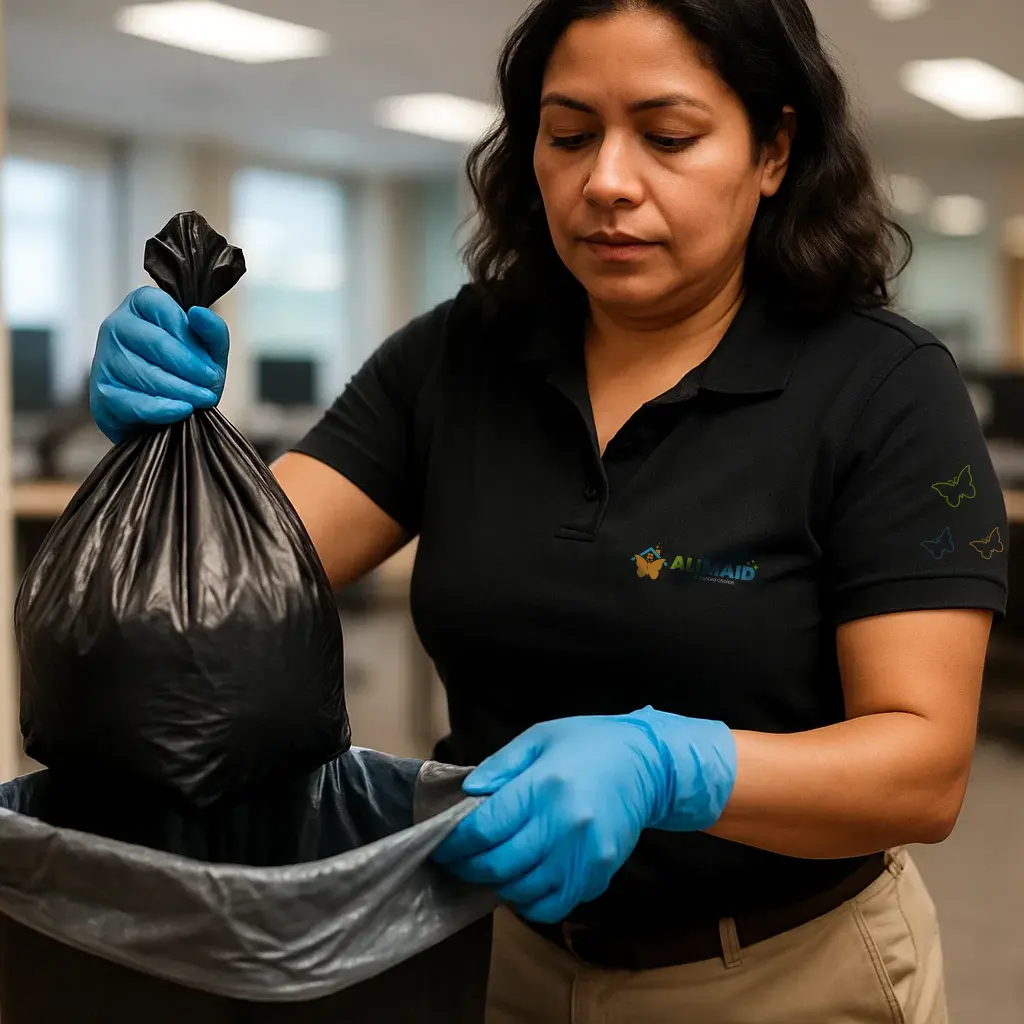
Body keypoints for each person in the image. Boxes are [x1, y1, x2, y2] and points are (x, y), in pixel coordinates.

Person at [89, 0, 1008, 1020]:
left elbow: (920, 771)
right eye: (569, 135)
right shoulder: (459, 356)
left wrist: (673, 765)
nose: (606, 181)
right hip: (487, 954)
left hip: (778, 972)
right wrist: (168, 450)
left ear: (773, 149)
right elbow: (221, 579)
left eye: (667, 137)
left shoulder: (881, 389)